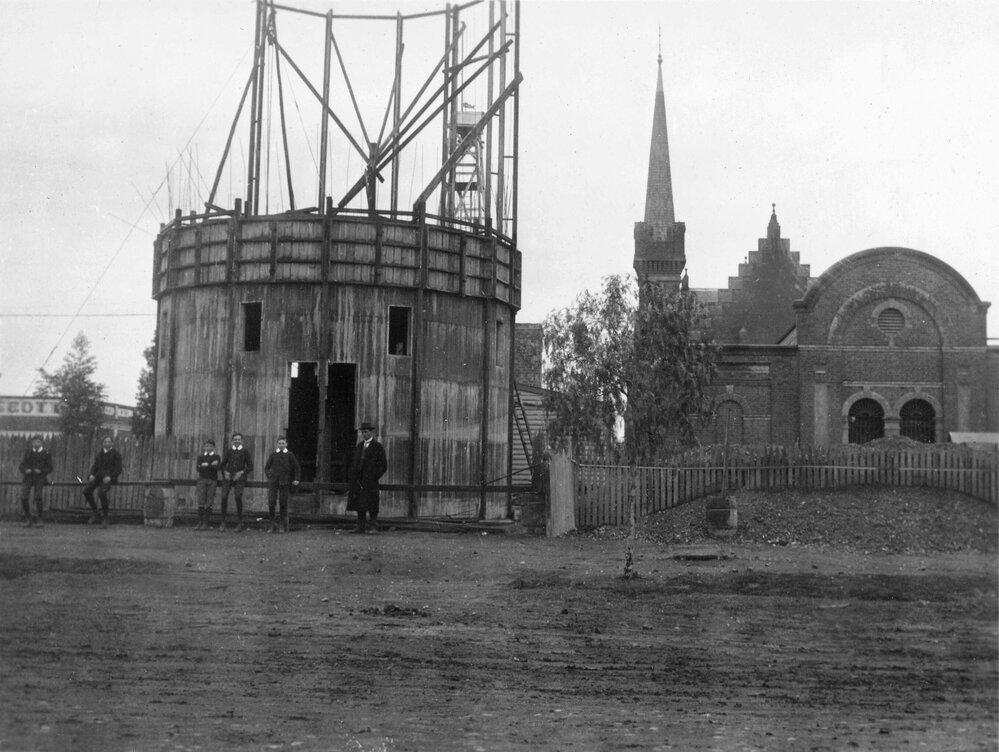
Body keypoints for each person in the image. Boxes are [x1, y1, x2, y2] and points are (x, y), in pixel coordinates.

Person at [347, 421, 388, 534]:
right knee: (360, 504)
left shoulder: (377, 447)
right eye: (362, 432)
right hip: (359, 481)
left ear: (371, 433)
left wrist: (373, 476)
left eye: (366, 432)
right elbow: (355, 463)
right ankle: (360, 527)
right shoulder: (359, 446)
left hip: (371, 481)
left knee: (372, 504)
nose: (364, 434)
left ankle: (373, 527)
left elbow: (383, 465)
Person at [82, 436, 123, 527]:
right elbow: (95, 467)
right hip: (99, 477)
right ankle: (96, 512)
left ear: (112, 443)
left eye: (109, 442)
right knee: (86, 491)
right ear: (102, 443)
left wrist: (110, 477)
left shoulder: (116, 454)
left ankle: (105, 517)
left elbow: (118, 469)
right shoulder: (99, 454)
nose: (107, 443)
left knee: (101, 493)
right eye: (105, 442)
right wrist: (91, 475)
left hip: (109, 478)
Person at [264, 437, 300, 533]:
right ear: (277, 444)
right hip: (273, 482)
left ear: (286, 444)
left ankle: (281, 526)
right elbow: (266, 467)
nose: (281, 445)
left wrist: (296, 479)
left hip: (284, 482)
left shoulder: (289, 455)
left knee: (283, 503)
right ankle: (272, 525)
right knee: (271, 502)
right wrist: (269, 476)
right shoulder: (273, 455)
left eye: (283, 443)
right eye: (279, 443)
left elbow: (297, 467)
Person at [219, 432, 253, 532]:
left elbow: (250, 466)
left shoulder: (245, 451)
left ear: (242, 441)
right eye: (235, 440)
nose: (237, 441)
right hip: (229, 477)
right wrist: (225, 472)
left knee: (238, 496)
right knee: (224, 496)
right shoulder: (229, 451)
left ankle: (239, 522)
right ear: (232, 441)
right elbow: (222, 465)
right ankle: (223, 521)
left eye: (239, 440)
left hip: (240, 478)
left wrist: (242, 472)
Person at [18, 434, 53, 527]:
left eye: (38, 442)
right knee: (23, 496)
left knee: (38, 496)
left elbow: (50, 468)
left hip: (40, 477)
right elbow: (21, 466)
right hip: (28, 477)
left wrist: (41, 471)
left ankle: (40, 518)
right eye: (33, 442)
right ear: (32, 443)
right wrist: (26, 470)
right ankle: (28, 518)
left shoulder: (46, 453)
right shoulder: (28, 453)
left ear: (41, 443)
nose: (35, 444)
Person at [194, 439, 221, 531]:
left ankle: (206, 523)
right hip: (202, 480)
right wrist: (210, 465)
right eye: (207, 446)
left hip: (212, 481)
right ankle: (199, 522)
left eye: (210, 446)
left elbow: (217, 468)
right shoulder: (201, 457)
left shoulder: (216, 457)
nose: (208, 448)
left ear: (213, 447)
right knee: (201, 501)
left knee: (209, 501)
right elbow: (198, 469)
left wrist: (206, 465)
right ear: (204, 447)